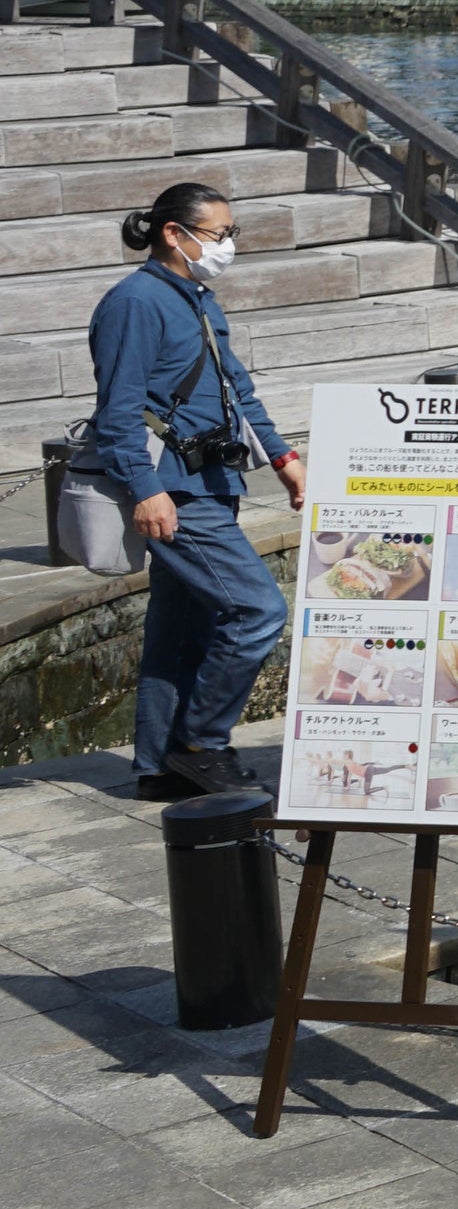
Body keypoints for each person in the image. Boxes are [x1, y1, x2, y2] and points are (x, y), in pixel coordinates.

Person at [84, 183, 305, 801]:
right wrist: (144, 489)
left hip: (212, 478)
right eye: (218, 234)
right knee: (257, 611)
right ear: (173, 234)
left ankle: (159, 769)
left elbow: (237, 389)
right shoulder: (135, 302)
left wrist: (282, 456)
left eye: (231, 234)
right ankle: (200, 745)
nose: (227, 246)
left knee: (179, 630)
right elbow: (118, 412)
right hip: (176, 490)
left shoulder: (195, 297)